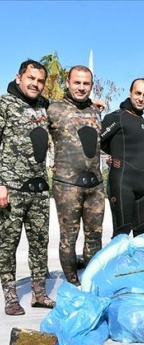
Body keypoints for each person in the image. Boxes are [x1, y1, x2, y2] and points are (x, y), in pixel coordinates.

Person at [0, 60, 55, 315]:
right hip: (11, 188)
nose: (35, 84)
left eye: (40, 80)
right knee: (7, 244)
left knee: (40, 243)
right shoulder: (5, 104)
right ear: (19, 77)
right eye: (31, 78)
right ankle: (10, 296)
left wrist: (92, 105)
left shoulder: (44, 106)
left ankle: (39, 293)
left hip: (40, 188)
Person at [48, 65, 104, 286]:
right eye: (77, 82)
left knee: (94, 235)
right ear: (68, 83)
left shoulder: (96, 110)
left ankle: (90, 282)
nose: (81, 87)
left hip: (96, 186)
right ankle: (72, 283)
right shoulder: (53, 109)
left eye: (86, 83)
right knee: (69, 237)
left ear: (91, 85)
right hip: (67, 186)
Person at [101, 78, 144, 237]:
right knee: (121, 235)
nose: (141, 98)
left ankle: (141, 263)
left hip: (143, 186)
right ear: (130, 93)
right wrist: (113, 153)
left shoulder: (141, 120)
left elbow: (142, 150)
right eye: (137, 93)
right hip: (122, 184)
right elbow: (97, 141)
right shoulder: (117, 117)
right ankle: (118, 262)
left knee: (143, 235)